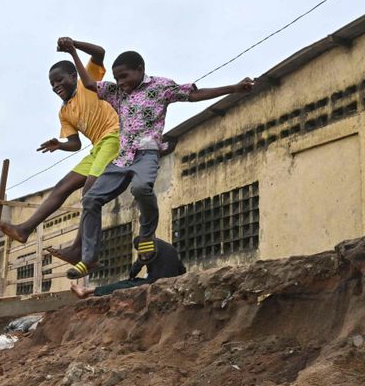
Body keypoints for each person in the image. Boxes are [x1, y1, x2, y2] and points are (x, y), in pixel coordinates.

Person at [60, 38, 254, 279]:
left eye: (125, 76)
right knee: (90, 199)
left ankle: (147, 235)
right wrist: (73, 52)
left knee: (141, 188)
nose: (121, 83)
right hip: (122, 158)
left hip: (147, 153)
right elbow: (89, 83)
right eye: (117, 78)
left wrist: (233, 88)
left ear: (140, 70)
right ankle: (89, 258)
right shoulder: (116, 92)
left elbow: (194, 95)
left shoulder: (160, 87)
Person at [0, 38, 121, 265]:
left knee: (90, 192)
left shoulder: (87, 82)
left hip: (114, 137)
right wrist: (60, 145)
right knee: (62, 186)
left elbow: (100, 52)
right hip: (97, 148)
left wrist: (73, 49)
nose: (55, 86)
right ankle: (24, 229)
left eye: (59, 80)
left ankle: (79, 249)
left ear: (73, 76)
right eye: (52, 84)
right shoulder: (64, 112)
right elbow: (76, 143)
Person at [70, 236, 185, 298]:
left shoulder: (146, 246)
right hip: (171, 281)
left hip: (156, 282)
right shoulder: (169, 247)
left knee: (124, 285)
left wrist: (131, 277)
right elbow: (182, 269)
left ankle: (87, 290)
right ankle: (87, 290)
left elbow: (137, 265)